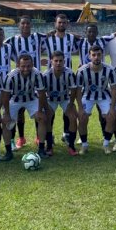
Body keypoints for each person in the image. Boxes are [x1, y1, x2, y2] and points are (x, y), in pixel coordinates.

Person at [5, 16, 48, 148]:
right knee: (19, 112)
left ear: (31, 25)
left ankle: (38, 137)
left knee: (38, 111)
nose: (25, 26)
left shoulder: (38, 37)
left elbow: (54, 33)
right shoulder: (12, 40)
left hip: (35, 77)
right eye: (23, 23)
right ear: (19, 25)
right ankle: (21, 137)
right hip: (20, 77)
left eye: (28, 23)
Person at [1, 53, 49, 159]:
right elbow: (5, 96)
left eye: (28, 66)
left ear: (32, 64)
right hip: (14, 100)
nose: (26, 69)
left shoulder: (37, 73)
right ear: (18, 65)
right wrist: (7, 114)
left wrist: (40, 111)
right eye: (23, 66)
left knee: (42, 118)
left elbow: (41, 93)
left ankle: (41, 149)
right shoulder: (11, 76)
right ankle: (8, 151)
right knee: (5, 122)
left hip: (31, 99)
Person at [45, 13, 81, 146]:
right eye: (59, 22)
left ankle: (66, 134)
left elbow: (83, 43)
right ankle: (50, 136)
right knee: (50, 110)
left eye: (64, 22)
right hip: (51, 79)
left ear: (67, 24)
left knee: (69, 108)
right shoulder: (47, 38)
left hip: (68, 77)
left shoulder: (72, 38)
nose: (61, 24)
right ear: (55, 23)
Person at [75, 45, 116, 154]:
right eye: (94, 55)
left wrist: (112, 107)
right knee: (82, 117)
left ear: (102, 55)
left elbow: (113, 89)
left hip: (103, 94)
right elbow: (78, 91)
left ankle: (106, 144)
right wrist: (80, 108)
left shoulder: (109, 69)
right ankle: (84, 145)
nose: (96, 57)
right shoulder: (82, 71)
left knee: (111, 117)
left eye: (98, 55)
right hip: (87, 95)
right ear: (89, 56)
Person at [42, 51, 79, 156]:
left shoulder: (70, 73)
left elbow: (74, 90)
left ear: (64, 61)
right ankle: (49, 145)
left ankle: (71, 146)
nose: (58, 63)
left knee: (72, 117)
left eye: (60, 61)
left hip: (65, 98)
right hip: (50, 99)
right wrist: (46, 107)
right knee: (47, 117)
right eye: (56, 61)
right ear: (51, 61)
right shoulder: (46, 75)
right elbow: (42, 93)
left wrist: (71, 105)